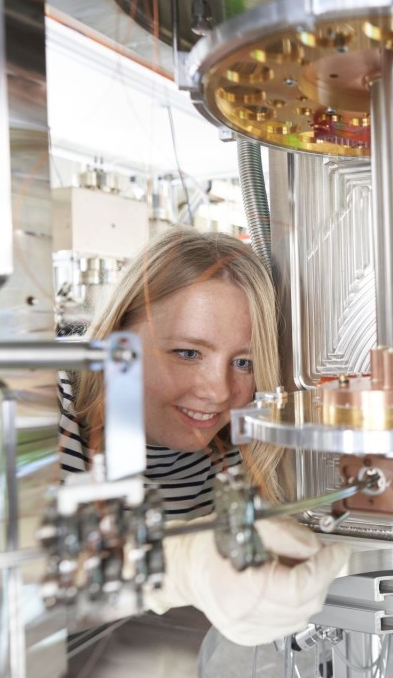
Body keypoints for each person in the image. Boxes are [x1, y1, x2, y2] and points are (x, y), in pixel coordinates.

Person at [57, 226, 348, 645]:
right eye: (188, 353)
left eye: (244, 362)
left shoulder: (237, 449)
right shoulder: (42, 404)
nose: (218, 392)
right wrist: (180, 566)